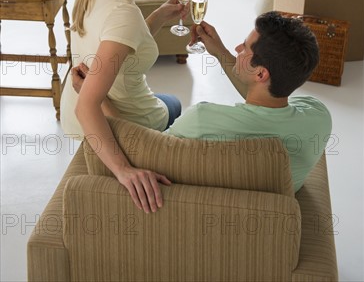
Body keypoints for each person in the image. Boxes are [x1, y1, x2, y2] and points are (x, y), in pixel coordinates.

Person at [72, 11, 332, 214]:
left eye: (244, 47)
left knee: (172, 105)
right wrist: (219, 51)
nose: (237, 49)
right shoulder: (319, 117)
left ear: (261, 73)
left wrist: (96, 96)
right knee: (170, 104)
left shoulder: (202, 120)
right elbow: (266, 100)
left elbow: (139, 147)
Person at [61, 0, 189, 212]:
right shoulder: (123, 14)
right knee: (175, 104)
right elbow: (88, 106)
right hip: (125, 120)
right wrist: (123, 169)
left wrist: (157, 16)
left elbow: (119, 41)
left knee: (167, 99)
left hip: (74, 112)